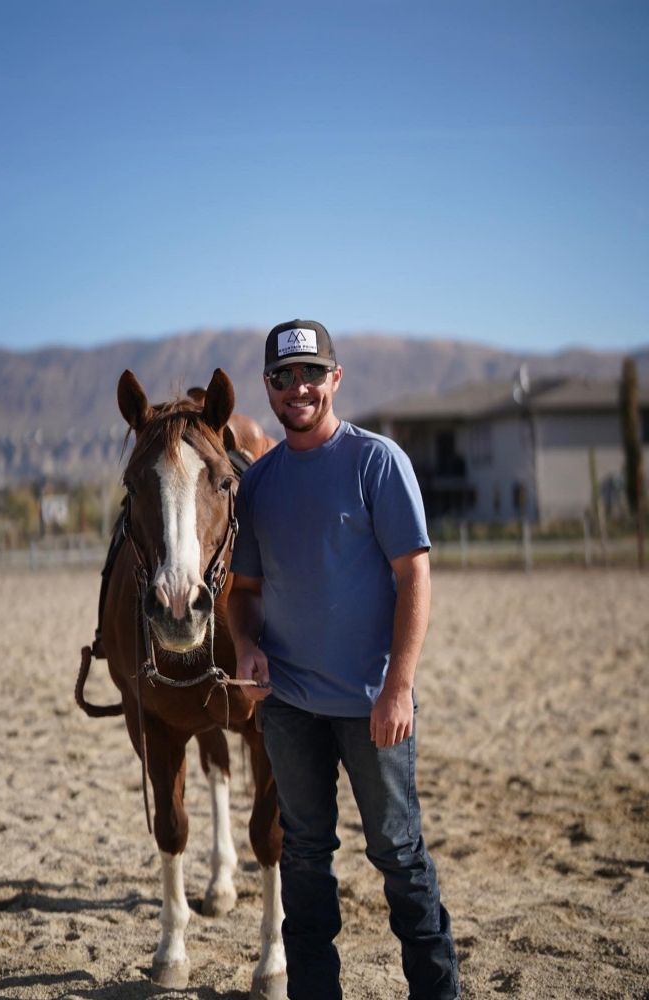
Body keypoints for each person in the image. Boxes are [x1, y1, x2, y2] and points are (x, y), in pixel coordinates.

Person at [227, 320, 459, 1000]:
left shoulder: (376, 462)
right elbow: (242, 593)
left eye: (311, 374)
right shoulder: (259, 484)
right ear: (267, 386)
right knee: (303, 859)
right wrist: (244, 645)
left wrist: (399, 688)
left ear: (336, 378)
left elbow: (414, 576)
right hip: (291, 710)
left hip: (372, 706)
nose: (298, 387)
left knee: (399, 858)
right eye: (282, 377)